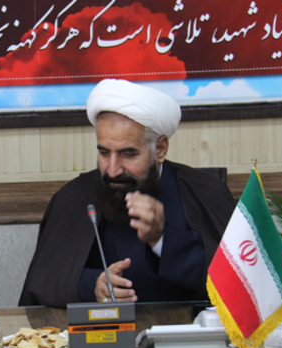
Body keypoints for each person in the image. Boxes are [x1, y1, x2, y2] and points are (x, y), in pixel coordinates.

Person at [19, 79, 236, 308]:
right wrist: (92, 285)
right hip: (100, 329)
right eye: (104, 153)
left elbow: (236, 281)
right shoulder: (72, 197)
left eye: (128, 154)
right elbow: (43, 282)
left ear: (160, 149)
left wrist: (163, 239)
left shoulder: (205, 193)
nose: (113, 170)